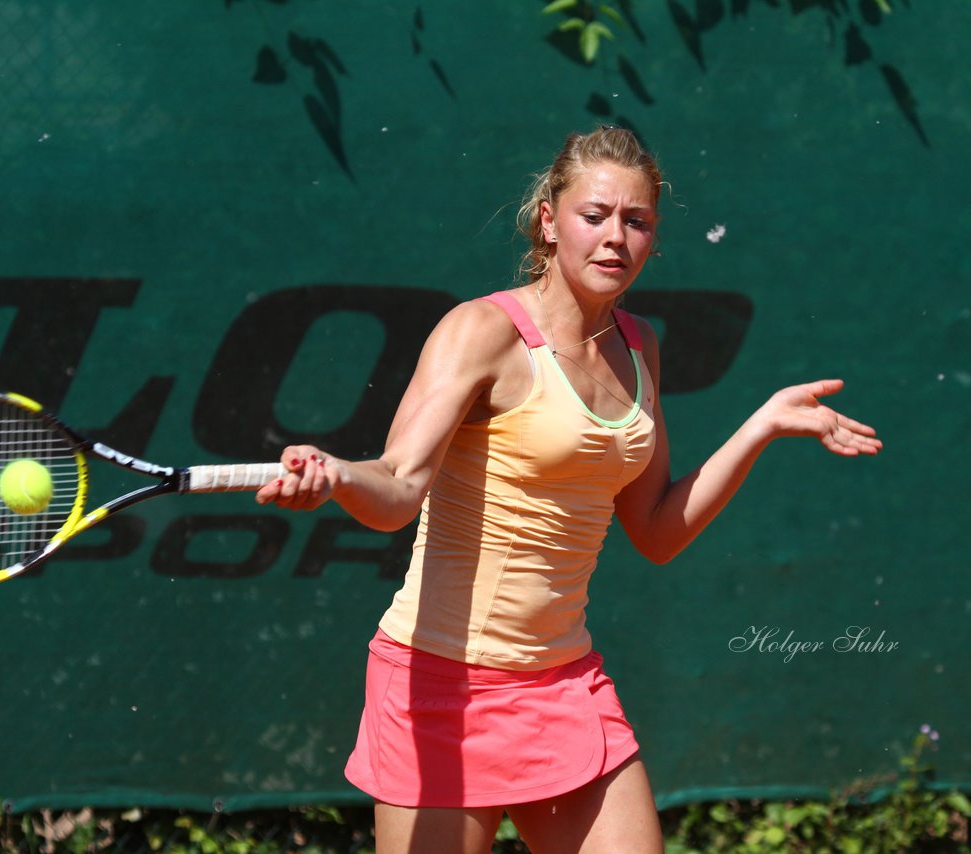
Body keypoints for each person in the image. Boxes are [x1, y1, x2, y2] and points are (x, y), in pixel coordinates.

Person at [256, 126, 881, 853]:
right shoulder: (480, 331)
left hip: (563, 684)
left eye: (637, 221)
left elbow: (654, 528)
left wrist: (761, 427)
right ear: (549, 222)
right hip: (440, 689)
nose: (616, 237)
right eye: (595, 216)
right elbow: (397, 486)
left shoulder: (639, 344)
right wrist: (337, 479)